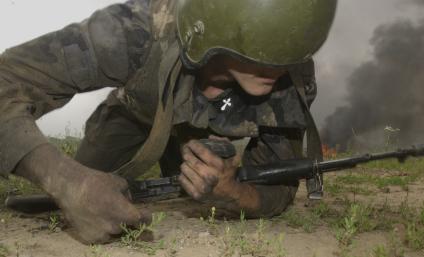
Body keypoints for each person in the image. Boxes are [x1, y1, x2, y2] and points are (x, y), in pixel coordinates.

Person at [0, 0, 337, 243]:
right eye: (266, 52)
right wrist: (65, 179)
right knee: (91, 192)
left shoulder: (290, 73)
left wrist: (233, 192)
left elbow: (279, 188)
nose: (282, 66)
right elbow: (6, 79)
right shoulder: (134, 33)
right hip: (135, 113)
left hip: (197, 133)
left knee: (191, 190)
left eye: (292, 53)